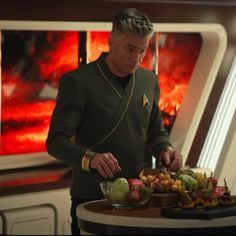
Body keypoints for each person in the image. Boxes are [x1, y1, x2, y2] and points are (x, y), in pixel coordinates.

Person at [46, 8, 183, 235]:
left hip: (139, 197)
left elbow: (156, 132)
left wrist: (165, 149)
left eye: (142, 50)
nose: (137, 58)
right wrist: (90, 158)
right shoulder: (78, 82)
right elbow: (55, 142)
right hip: (91, 199)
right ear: (111, 42)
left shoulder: (149, 81)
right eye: (130, 49)